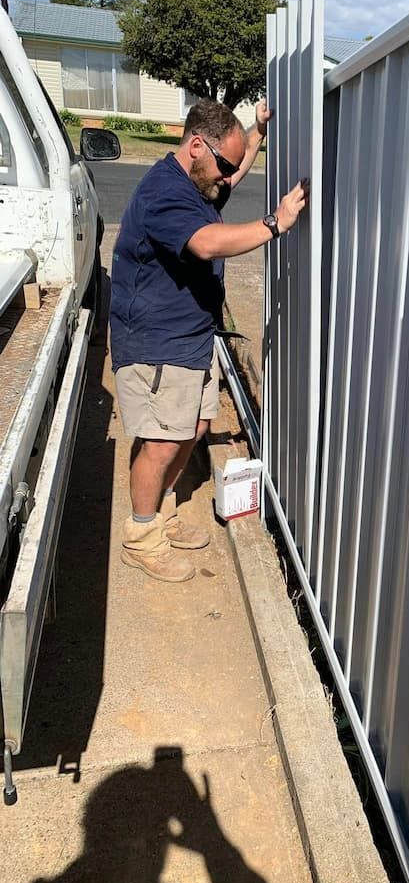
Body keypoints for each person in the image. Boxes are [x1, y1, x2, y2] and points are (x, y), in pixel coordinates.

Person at [110, 98, 307, 583]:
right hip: (155, 340)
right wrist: (274, 224)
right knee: (159, 441)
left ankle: (159, 514)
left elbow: (225, 185)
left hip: (190, 334)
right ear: (196, 145)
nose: (227, 177)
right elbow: (205, 243)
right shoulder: (164, 193)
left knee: (193, 427)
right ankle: (141, 537)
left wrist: (256, 134)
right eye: (223, 165)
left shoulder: (198, 180)